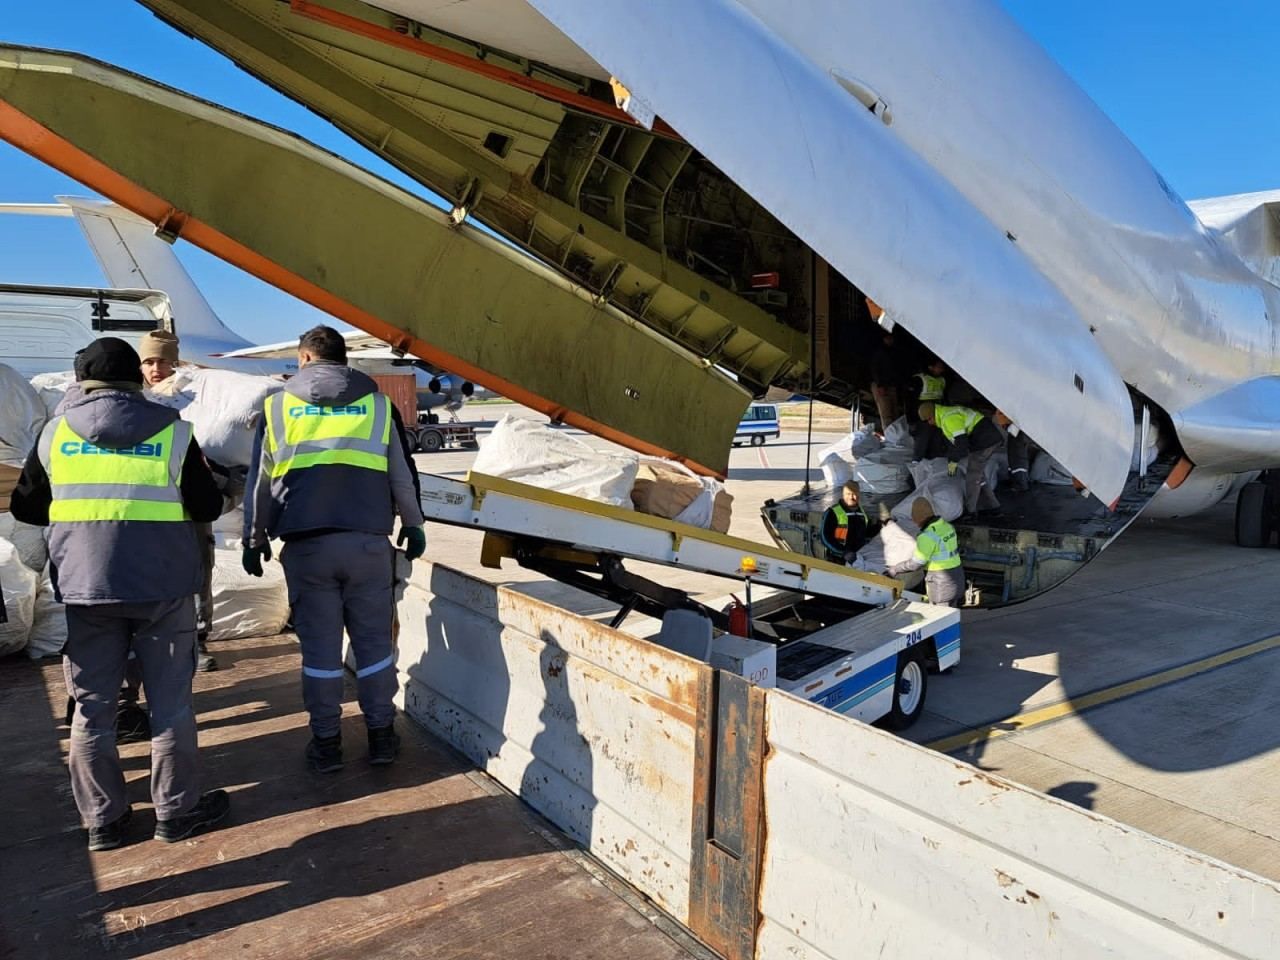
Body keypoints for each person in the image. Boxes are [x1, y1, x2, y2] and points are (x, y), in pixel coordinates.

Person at [11, 337, 230, 851]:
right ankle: (177, 813)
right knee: (171, 703)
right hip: (163, 589)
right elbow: (207, 506)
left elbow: (25, 510)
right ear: (137, 378)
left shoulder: (53, 435)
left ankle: (104, 822)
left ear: (81, 380)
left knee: (93, 708)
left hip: (88, 590)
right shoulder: (176, 434)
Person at [242, 325, 427, 773]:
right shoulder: (378, 405)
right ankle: (381, 737)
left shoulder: (277, 406)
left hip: (307, 548)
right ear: (346, 360)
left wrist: (254, 538)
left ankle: (326, 743)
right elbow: (401, 472)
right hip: (366, 545)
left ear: (304, 359)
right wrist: (414, 524)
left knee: (321, 654)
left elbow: (260, 483)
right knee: (374, 647)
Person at [138, 330, 221, 673]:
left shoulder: (195, 398)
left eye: (162, 361)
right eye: (149, 361)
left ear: (174, 362)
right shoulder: (137, 402)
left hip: (192, 501)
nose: (155, 368)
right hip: (153, 507)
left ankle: (198, 641)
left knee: (200, 571)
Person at [918, 401, 1005, 516]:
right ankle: (993, 507)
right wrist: (951, 459)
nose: (930, 424)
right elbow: (954, 444)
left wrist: (953, 461)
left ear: (932, 416)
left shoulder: (949, 418)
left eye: (929, 420)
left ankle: (971, 511)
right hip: (985, 440)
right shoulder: (945, 416)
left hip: (985, 441)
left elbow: (961, 444)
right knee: (978, 475)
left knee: (972, 476)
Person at [887, 498, 965, 607]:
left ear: (918, 518)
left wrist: (895, 569)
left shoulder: (927, 536)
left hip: (940, 585)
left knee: (940, 618)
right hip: (956, 579)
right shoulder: (947, 527)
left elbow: (916, 564)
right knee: (952, 614)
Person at [865, 297, 901, 433]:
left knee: (893, 413)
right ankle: (890, 437)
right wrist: (880, 385)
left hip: (890, 384)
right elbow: (875, 369)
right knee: (886, 413)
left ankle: (894, 436)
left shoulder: (891, 352)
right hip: (882, 385)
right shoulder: (879, 352)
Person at [820, 480, 871, 563]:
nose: (851, 497)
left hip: (856, 558)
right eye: (848, 494)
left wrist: (880, 525)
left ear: (859, 495)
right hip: (837, 559)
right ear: (843, 495)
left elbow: (866, 532)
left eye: (854, 494)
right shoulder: (832, 512)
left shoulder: (861, 513)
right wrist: (843, 552)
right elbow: (824, 537)